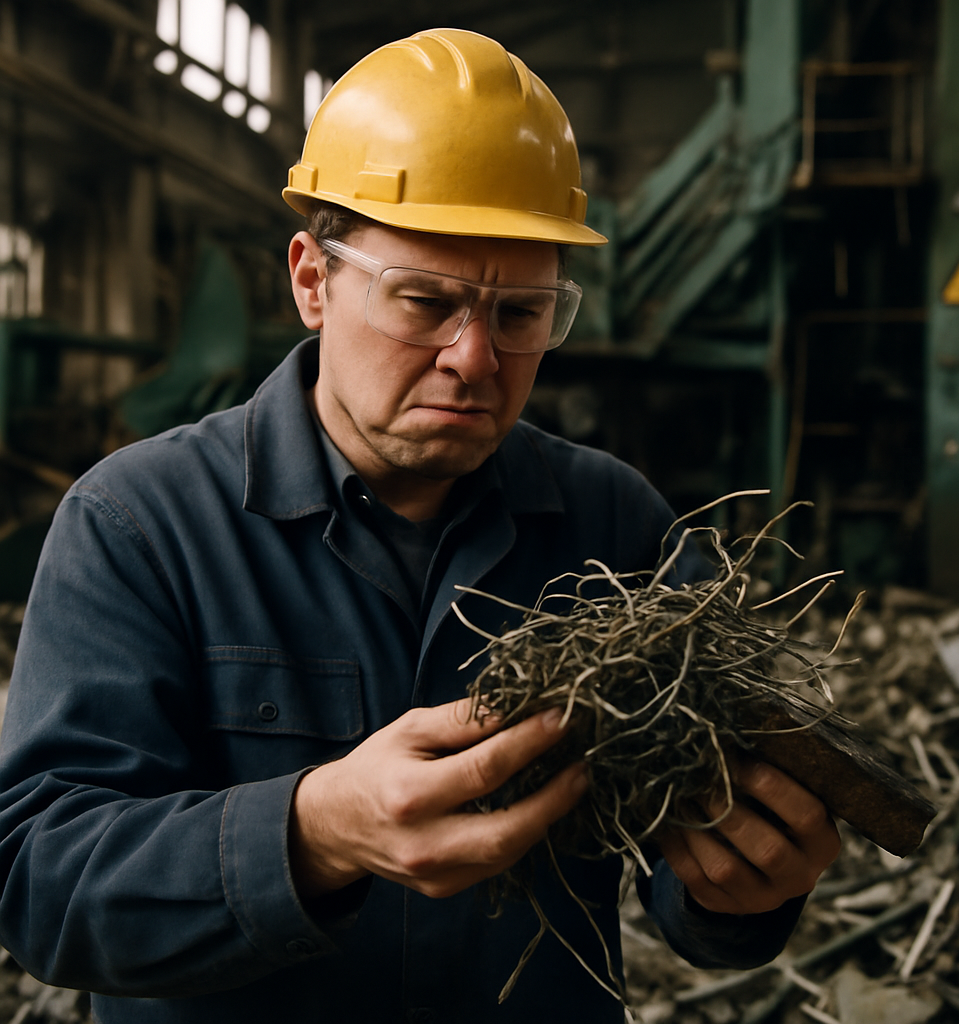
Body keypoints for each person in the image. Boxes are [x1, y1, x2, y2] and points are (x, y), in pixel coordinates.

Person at [0, 28, 839, 1024]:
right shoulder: (139, 524)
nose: (474, 357)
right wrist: (309, 833)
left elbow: (682, 865)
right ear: (313, 279)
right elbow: (38, 882)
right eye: (425, 301)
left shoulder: (615, 526)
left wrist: (739, 887)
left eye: (521, 313)